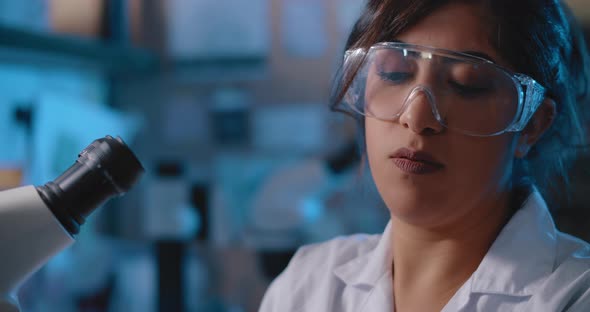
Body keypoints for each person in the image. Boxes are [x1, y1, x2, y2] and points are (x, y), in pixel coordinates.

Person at [259, 0, 590, 311]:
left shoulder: (572, 295)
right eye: (394, 74)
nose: (417, 118)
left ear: (532, 123)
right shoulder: (305, 287)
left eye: (467, 84)